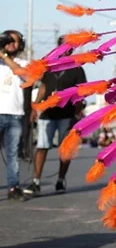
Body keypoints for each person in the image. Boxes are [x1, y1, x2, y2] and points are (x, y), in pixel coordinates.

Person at [23, 36, 87, 196]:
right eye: (64, 47)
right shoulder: (49, 66)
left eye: (70, 47)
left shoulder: (77, 68)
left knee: (65, 149)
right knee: (42, 147)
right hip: (47, 113)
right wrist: (35, 107)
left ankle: (60, 180)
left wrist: (77, 113)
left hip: (67, 114)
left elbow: (81, 92)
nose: (67, 50)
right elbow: (44, 87)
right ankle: (36, 182)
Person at [0, 30, 28, 201]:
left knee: (12, 154)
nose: (11, 43)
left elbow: (25, 75)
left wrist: (4, 57)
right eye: (7, 40)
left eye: (14, 41)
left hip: (15, 114)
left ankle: (13, 187)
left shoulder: (24, 62)